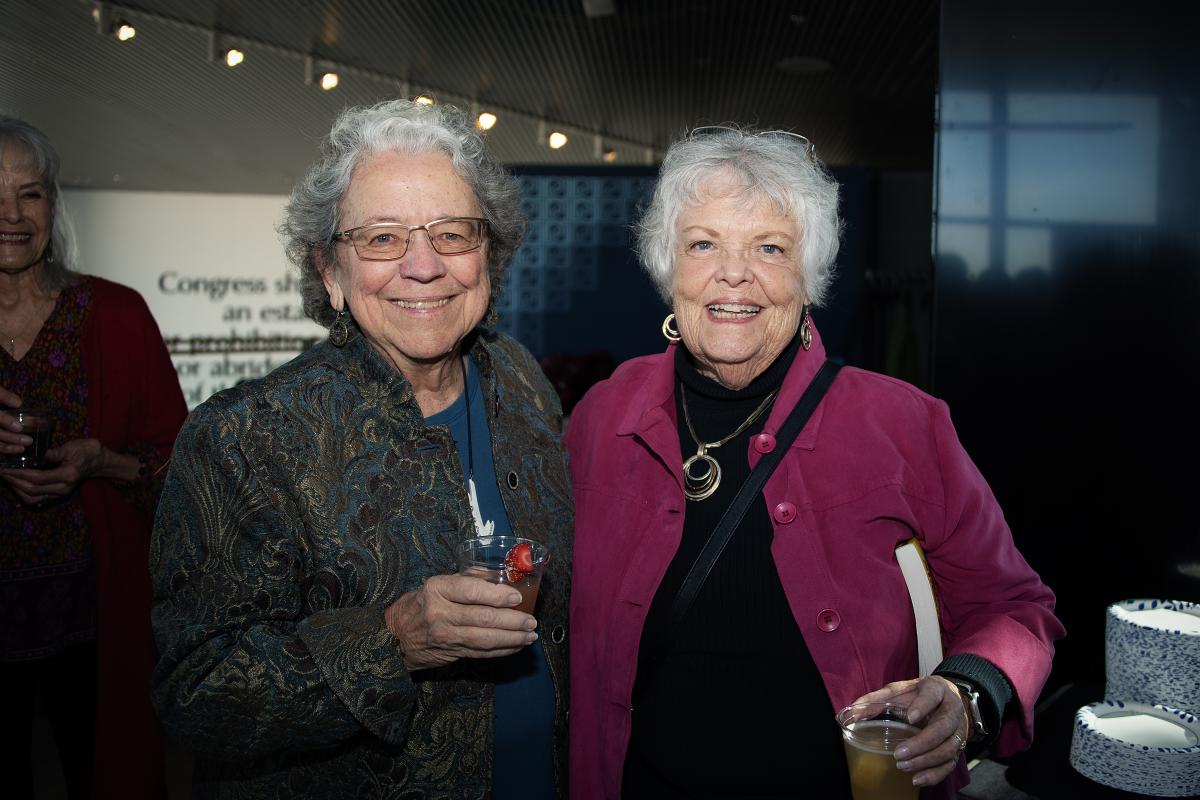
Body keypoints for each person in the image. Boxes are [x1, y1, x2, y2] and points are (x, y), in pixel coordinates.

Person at [565, 126, 1065, 799]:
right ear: (668, 266)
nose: (733, 272)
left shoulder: (905, 423)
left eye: (769, 247)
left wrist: (968, 691)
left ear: (809, 276)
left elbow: (1015, 606)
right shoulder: (602, 415)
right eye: (703, 243)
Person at [150, 100, 573, 798]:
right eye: (381, 239)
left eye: (454, 233)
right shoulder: (244, 437)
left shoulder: (523, 384)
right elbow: (195, 694)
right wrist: (390, 642)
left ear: (488, 254)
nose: (425, 265)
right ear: (329, 272)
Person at [0, 116, 186, 799]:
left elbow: (179, 472)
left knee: (103, 773)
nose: (11, 216)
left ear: (53, 205)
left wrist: (99, 461)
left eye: (29, 193)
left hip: (94, 619)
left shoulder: (116, 314)